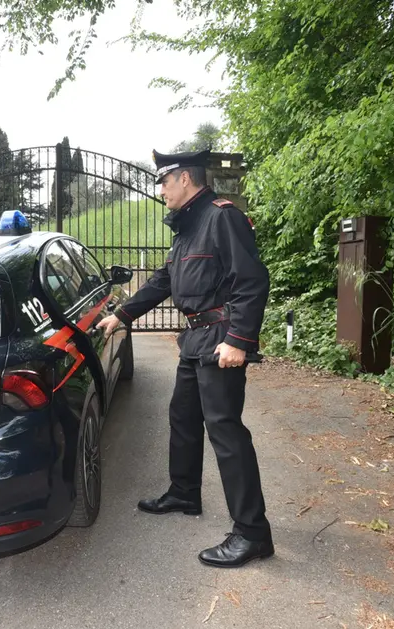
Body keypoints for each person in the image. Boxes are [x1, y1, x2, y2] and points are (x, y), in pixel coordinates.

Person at [97, 149, 273, 568]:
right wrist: (121, 315)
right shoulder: (188, 227)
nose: (160, 190)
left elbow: (252, 282)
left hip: (220, 340)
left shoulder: (222, 217)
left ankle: (252, 533)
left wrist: (239, 340)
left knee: (226, 433)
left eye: (164, 182)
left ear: (186, 180)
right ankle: (184, 491)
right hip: (194, 341)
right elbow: (164, 279)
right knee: (183, 417)